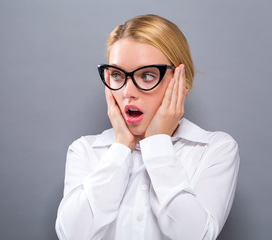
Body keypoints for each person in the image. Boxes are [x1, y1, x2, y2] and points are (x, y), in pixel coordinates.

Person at [55, 14, 240, 240]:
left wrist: (156, 144)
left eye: (148, 76)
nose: (127, 92)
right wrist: (122, 145)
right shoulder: (85, 150)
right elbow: (72, 235)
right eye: (117, 75)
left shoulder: (214, 149)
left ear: (182, 81)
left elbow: (198, 236)